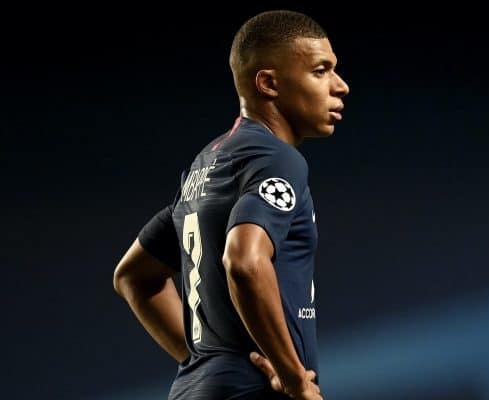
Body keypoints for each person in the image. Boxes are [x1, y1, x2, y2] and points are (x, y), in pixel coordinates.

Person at [113, 9, 349, 400]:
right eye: (321, 71)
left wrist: (204, 363)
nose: (340, 86)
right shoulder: (278, 159)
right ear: (268, 83)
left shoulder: (206, 165)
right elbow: (244, 261)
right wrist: (294, 381)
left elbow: (133, 276)